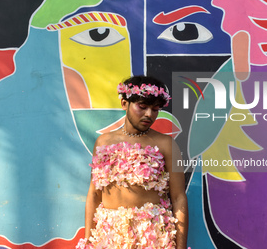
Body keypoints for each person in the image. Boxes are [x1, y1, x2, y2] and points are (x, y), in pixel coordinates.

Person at [76, 75, 189, 249]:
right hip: (109, 237)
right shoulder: (103, 142)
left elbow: (178, 197)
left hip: (151, 238)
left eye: (155, 109)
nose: (149, 114)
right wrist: (88, 242)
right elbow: (94, 194)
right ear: (124, 103)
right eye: (142, 107)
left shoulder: (167, 145)